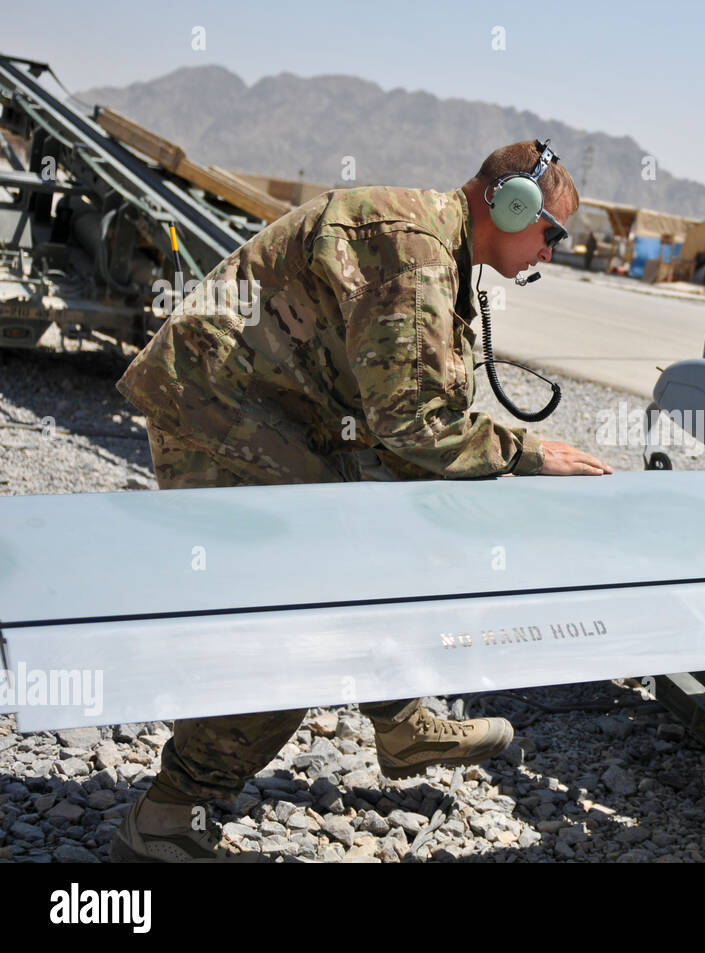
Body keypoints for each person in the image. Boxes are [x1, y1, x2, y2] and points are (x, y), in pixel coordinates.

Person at [110, 140, 612, 862]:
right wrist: (528, 453)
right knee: (298, 616)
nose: (552, 252)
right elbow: (417, 425)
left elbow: (409, 415)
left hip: (283, 409)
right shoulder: (415, 255)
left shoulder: (436, 246)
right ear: (511, 207)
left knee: (388, 534)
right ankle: (166, 813)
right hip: (219, 411)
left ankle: (399, 719)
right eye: (552, 233)